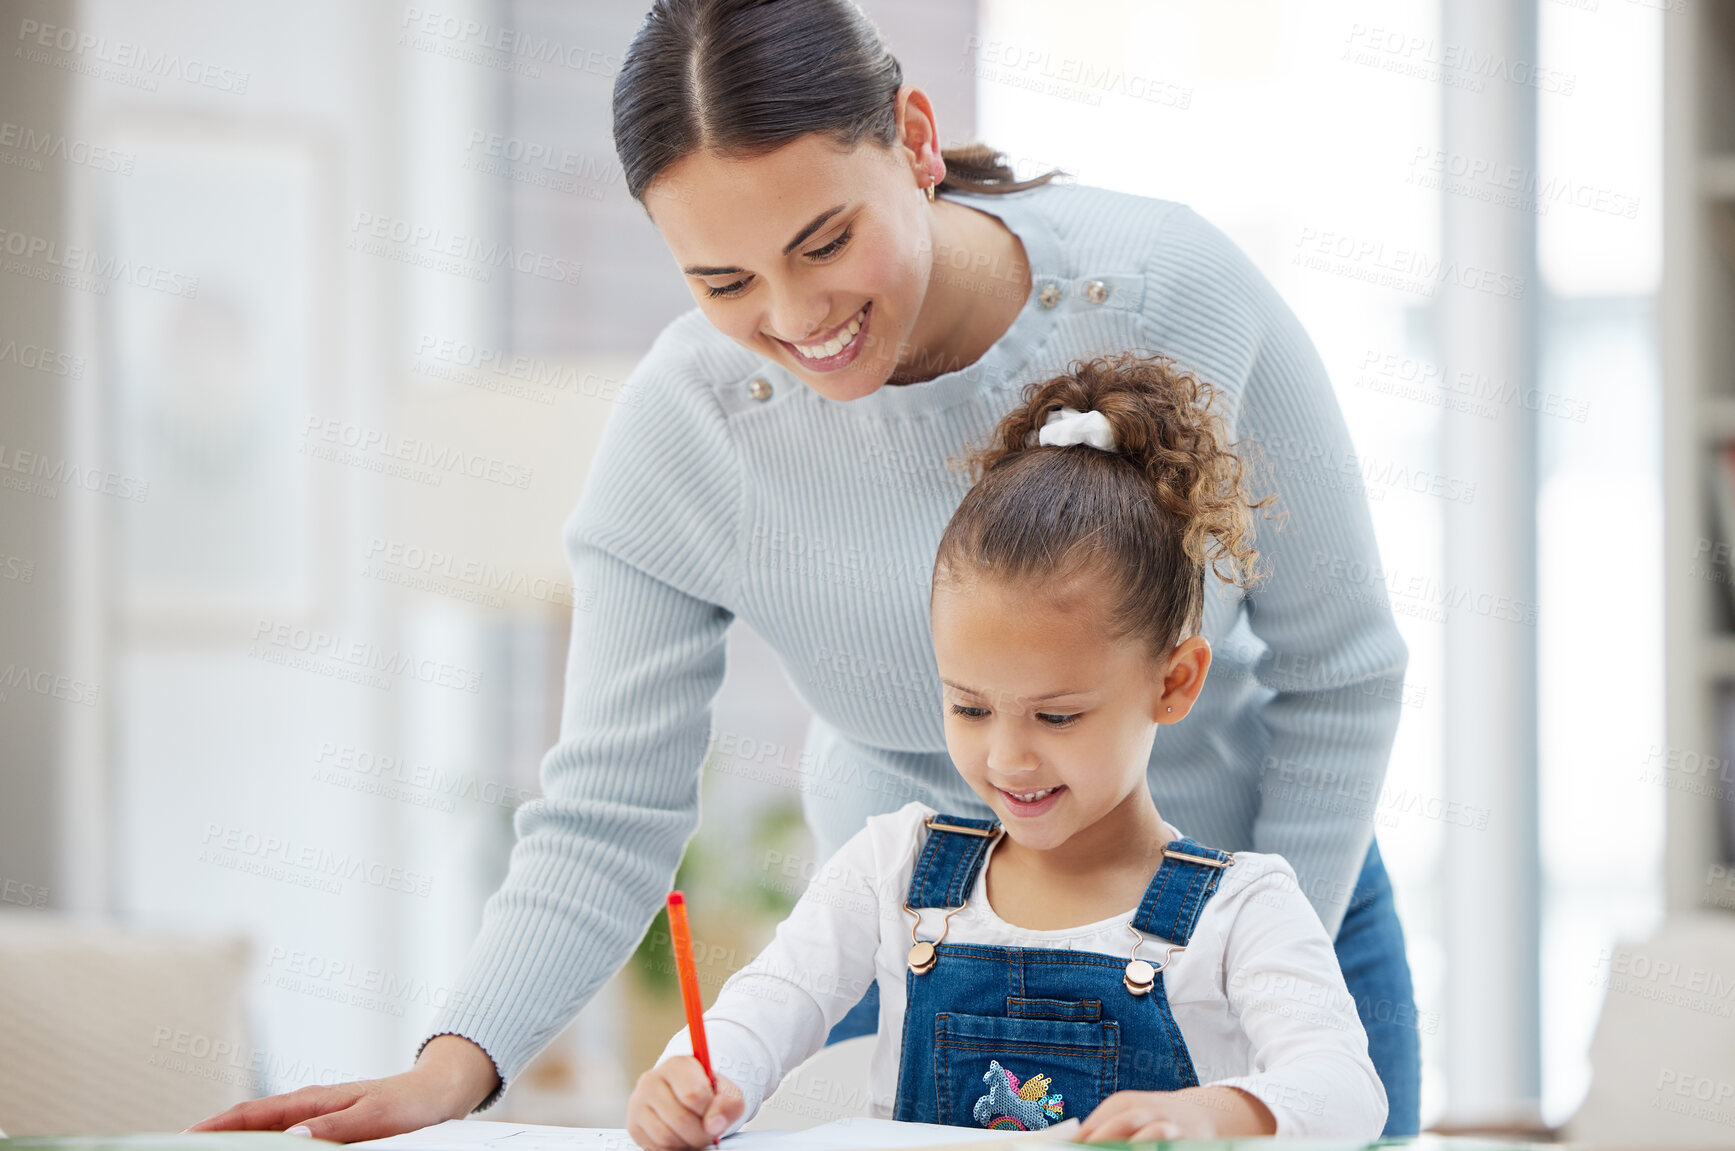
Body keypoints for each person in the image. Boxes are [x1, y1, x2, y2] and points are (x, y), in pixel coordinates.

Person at [191, 0, 1416, 1140]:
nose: (795, 315)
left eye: (824, 240)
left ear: (914, 140)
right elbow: (608, 809)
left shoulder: (1171, 288)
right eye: (722, 281)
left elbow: (1343, 667)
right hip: (935, 953)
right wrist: (455, 1062)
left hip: (1272, 921)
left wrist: (1246, 991)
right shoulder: (695, 427)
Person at [627, 355, 1387, 1149]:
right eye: (970, 706)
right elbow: (765, 1007)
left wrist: (1210, 1114)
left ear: (1174, 681)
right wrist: (697, 1077)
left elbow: (1342, 1090)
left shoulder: (1243, 911)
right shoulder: (889, 870)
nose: (1008, 756)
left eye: (1056, 716)